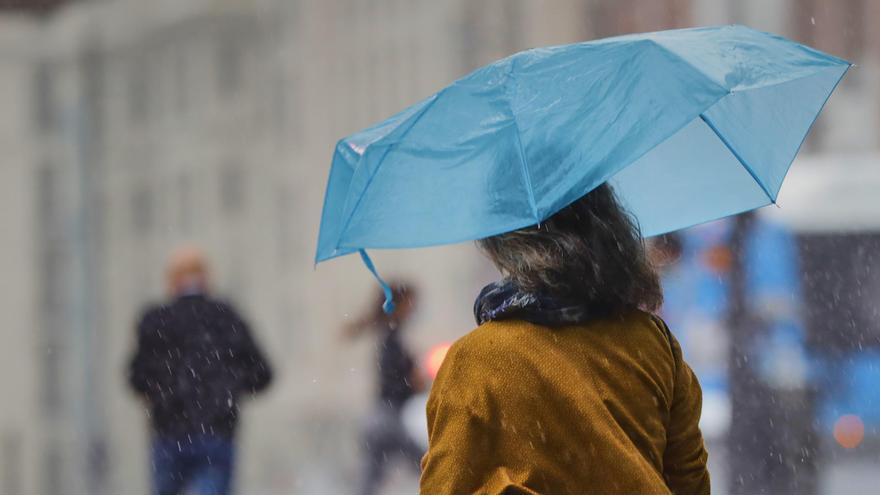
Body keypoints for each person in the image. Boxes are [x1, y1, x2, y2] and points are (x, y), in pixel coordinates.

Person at [420, 184, 710, 494]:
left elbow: (445, 487)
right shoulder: (652, 342)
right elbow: (690, 481)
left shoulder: (474, 361)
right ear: (608, 222)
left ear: (505, 241)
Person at [128, 246, 273, 495]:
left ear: (171, 280)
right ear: (206, 278)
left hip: (168, 432)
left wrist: (162, 394)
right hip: (216, 434)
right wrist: (230, 388)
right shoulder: (226, 317)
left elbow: (137, 378)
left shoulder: (156, 320)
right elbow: (262, 374)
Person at [345, 282, 425, 495]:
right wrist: (414, 381)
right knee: (430, 467)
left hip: (380, 418)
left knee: (370, 482)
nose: (414, 308)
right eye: (411, 302)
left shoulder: (390, 335)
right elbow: (393, 381)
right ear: (399, 305)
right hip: (387, 419)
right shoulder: (392, 339)